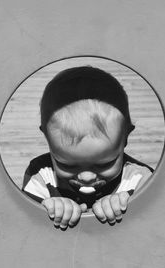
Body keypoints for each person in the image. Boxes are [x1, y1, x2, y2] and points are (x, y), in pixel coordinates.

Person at [22, 66, 153, 229]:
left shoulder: (139, 181)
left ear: (125, 137)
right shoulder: (40, 175)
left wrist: (127, 204)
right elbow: (23, 221)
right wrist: (48, 207)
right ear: (46, 137)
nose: (86, 177)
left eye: (103, 164)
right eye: (68, 165)